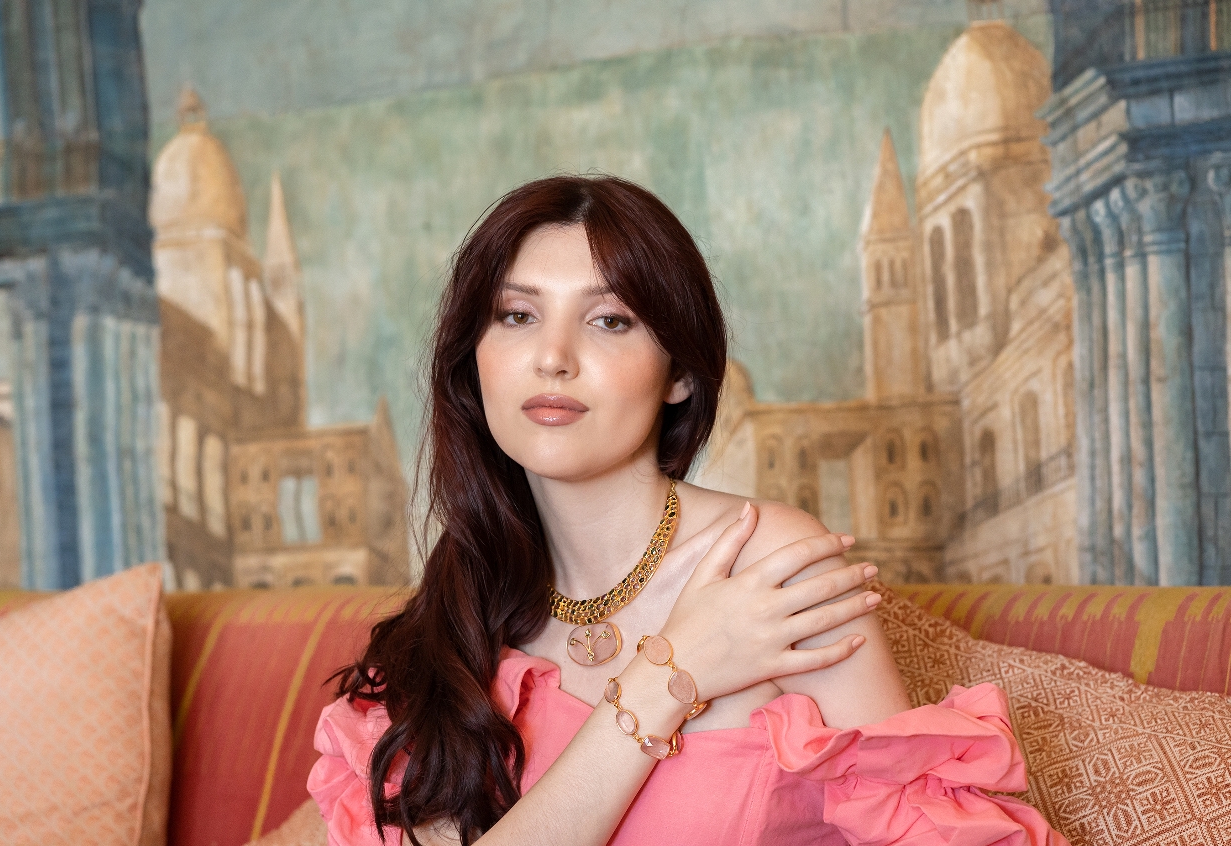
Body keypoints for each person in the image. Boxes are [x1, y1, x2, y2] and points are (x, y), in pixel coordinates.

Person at [308, 175, 1067, 846]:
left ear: (679, 373)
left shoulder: (766, 562)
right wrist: (673, 673)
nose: (554, 357)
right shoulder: (454, 615)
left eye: (610, 320)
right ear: (472, 362)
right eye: (517, 316)